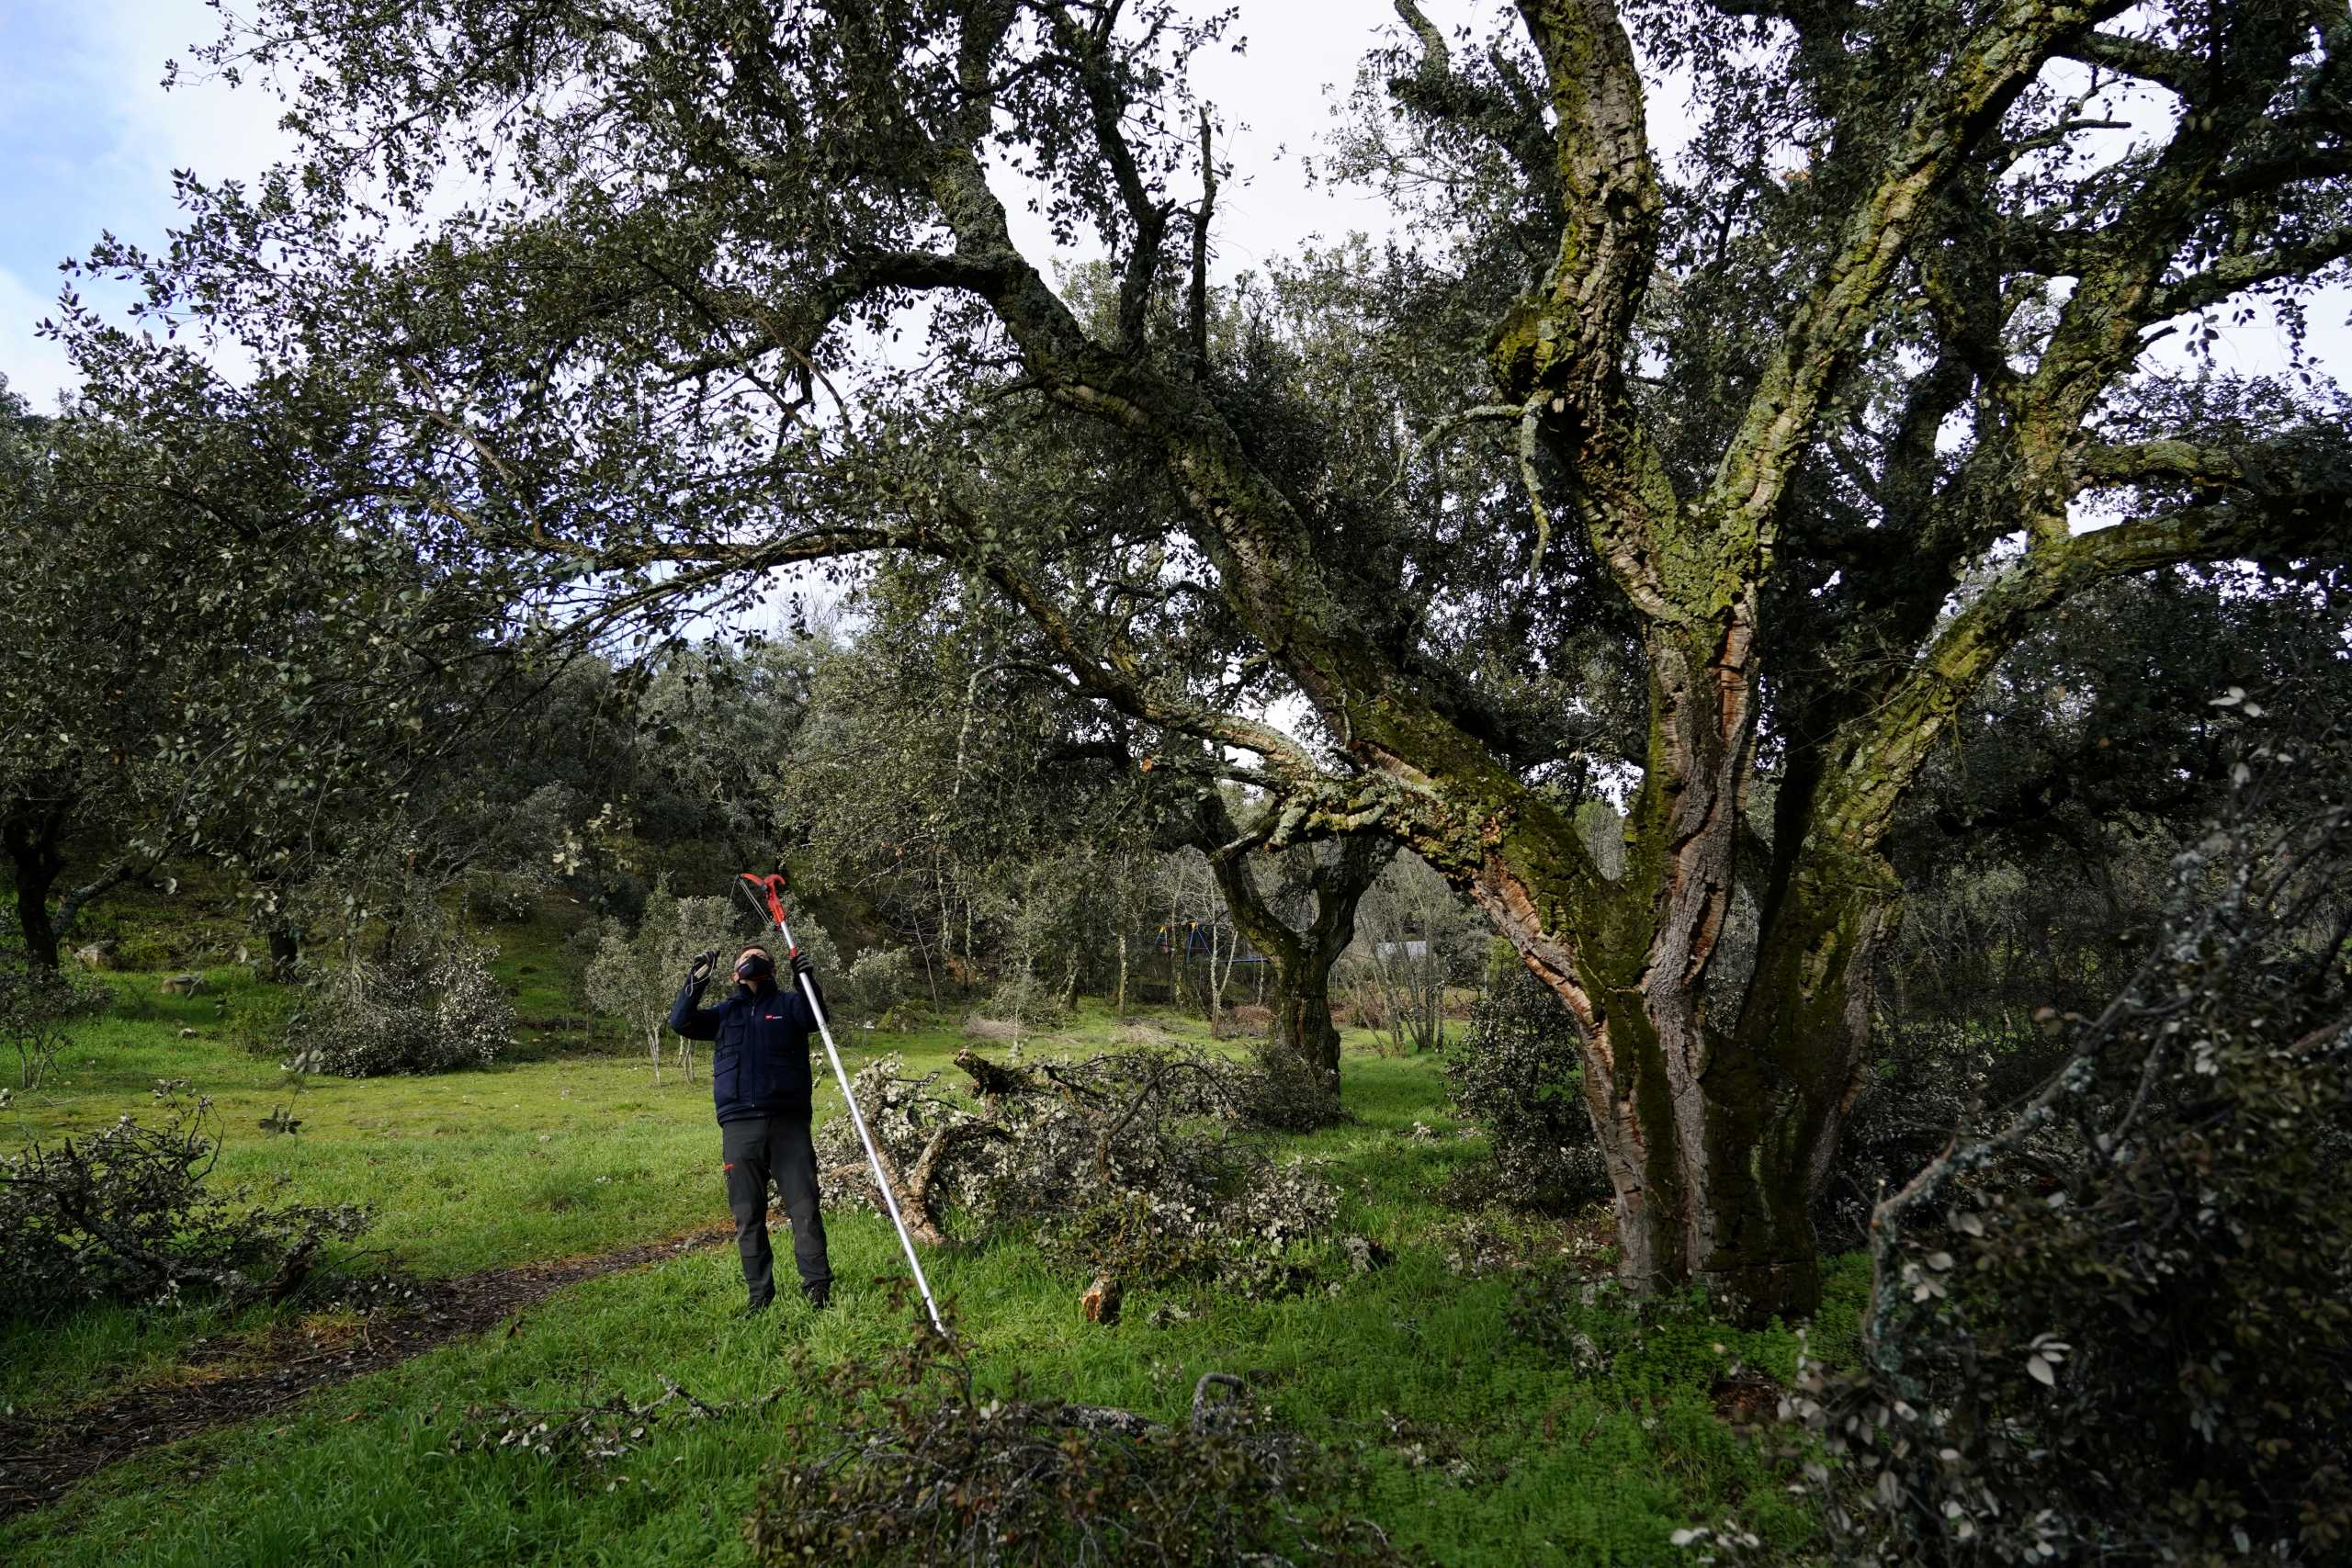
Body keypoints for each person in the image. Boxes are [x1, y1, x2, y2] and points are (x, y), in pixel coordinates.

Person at [670, 942, 832, 1315]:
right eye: (745, 957)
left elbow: (817, 1019)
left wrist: (806, 977)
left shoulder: (790, 1004)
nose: (752, 960)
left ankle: (818, 1289)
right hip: (739, 1124)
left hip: (788, 1121)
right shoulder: (726, 1013)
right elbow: (681, 1022)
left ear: (772, 969)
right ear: (733, 973)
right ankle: (760, 1295)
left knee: (804, 1209)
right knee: (748, 1215)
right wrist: (695, 982)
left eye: (759, 957)